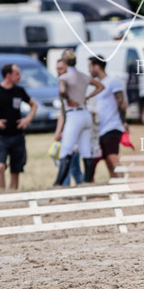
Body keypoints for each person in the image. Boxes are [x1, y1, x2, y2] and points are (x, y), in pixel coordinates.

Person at [0, 62, 38, 190]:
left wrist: (27, 119)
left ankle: (12, 195)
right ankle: (0, 195)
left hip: (17, 135)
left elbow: (34, 105)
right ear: (8, 75)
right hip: (0, 136)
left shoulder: (19, 90)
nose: (20, 76)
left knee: (15, 170)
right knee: (0, 166)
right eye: (17, 74)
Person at [52, 49, 103, 186]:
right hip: (85, 114)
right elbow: (100, 86)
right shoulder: (83, 76)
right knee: (86, 151)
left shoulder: (64, 77)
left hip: (74, 115)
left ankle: (58, 183)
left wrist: (68, 99)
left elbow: (62, 90)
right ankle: (87, 182)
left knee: (66, 150)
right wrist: (87, 97)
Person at [87, 56, 128, 179]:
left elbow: (121, 103)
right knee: (107, 160)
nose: (88, 70)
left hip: (112, 125)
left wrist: (123, 122)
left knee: (112, 157)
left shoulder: (112, 81)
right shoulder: (98, 85)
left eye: (90, 67)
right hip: (101, 128)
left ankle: (124, 182)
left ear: (97, 67)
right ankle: (115, 184)